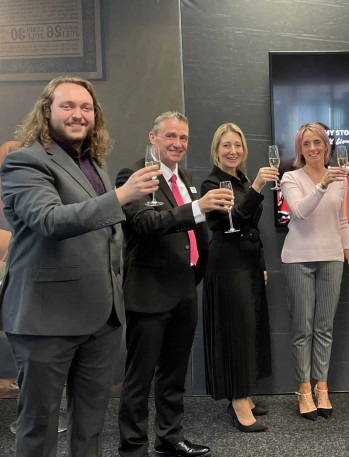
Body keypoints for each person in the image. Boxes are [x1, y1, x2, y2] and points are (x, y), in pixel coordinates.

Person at [0, 76, 159, 457]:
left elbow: (103, 233)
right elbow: (49, 221)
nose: (78, 114)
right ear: (47, 112)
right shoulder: (25, 160)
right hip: (46, 319)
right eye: (67, 106)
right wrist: (121, 196)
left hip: (100, 318)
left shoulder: (92, 162)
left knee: (89, 429)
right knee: (38, 429)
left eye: (86, 107)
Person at [116, 112, 233, 457]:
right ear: (152, 138)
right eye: (170, 137)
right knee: (139, 378)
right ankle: (133, 447)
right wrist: (198, 207)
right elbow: (145, 223)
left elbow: (191, 229)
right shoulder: (135, 174)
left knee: (174, 372)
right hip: (150, 291)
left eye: (183, 138)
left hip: (184, 287)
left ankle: (169, 436)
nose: (177, 144)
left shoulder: (185, 176)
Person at [280, 122, 349, 420]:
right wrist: (323, 183)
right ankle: (304, 389)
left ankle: (322, 387)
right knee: (303, 329)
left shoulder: (340, 179)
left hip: (331, 259)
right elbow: (299, 212)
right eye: (306, 144)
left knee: (325, 328)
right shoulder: (290, 176)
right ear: (299, 149)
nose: (312, 148)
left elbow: (342, 222)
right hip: (298, 258)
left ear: (326, 145)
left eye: (317, 142)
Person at [201, 123, 278, 432]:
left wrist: (260, 263)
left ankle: (245, 392)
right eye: (226, 145)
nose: (232, 150)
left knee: (250, 329)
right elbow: (230, 221)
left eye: (237, 145)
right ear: (216, 150)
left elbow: (252, 229)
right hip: (227, 265)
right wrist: (258, 187)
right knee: (236, 331)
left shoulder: (241, 179)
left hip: (247, 263)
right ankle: (237, 401)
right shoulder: (212, 182)